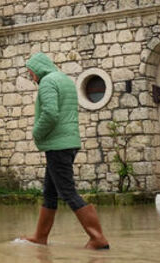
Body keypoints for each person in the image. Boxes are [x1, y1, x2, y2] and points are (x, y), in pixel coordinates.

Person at [22, 52, 109, 250]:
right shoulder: (64, 80)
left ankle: (98, 238)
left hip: (57, 144)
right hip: (68, 142)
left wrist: (36, 132)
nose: (31, 77)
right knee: (50, 192)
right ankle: (40, 237)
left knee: (68, 192)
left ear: (38, 69)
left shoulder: (47, 82)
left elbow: (51, 113)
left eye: (31, 73)